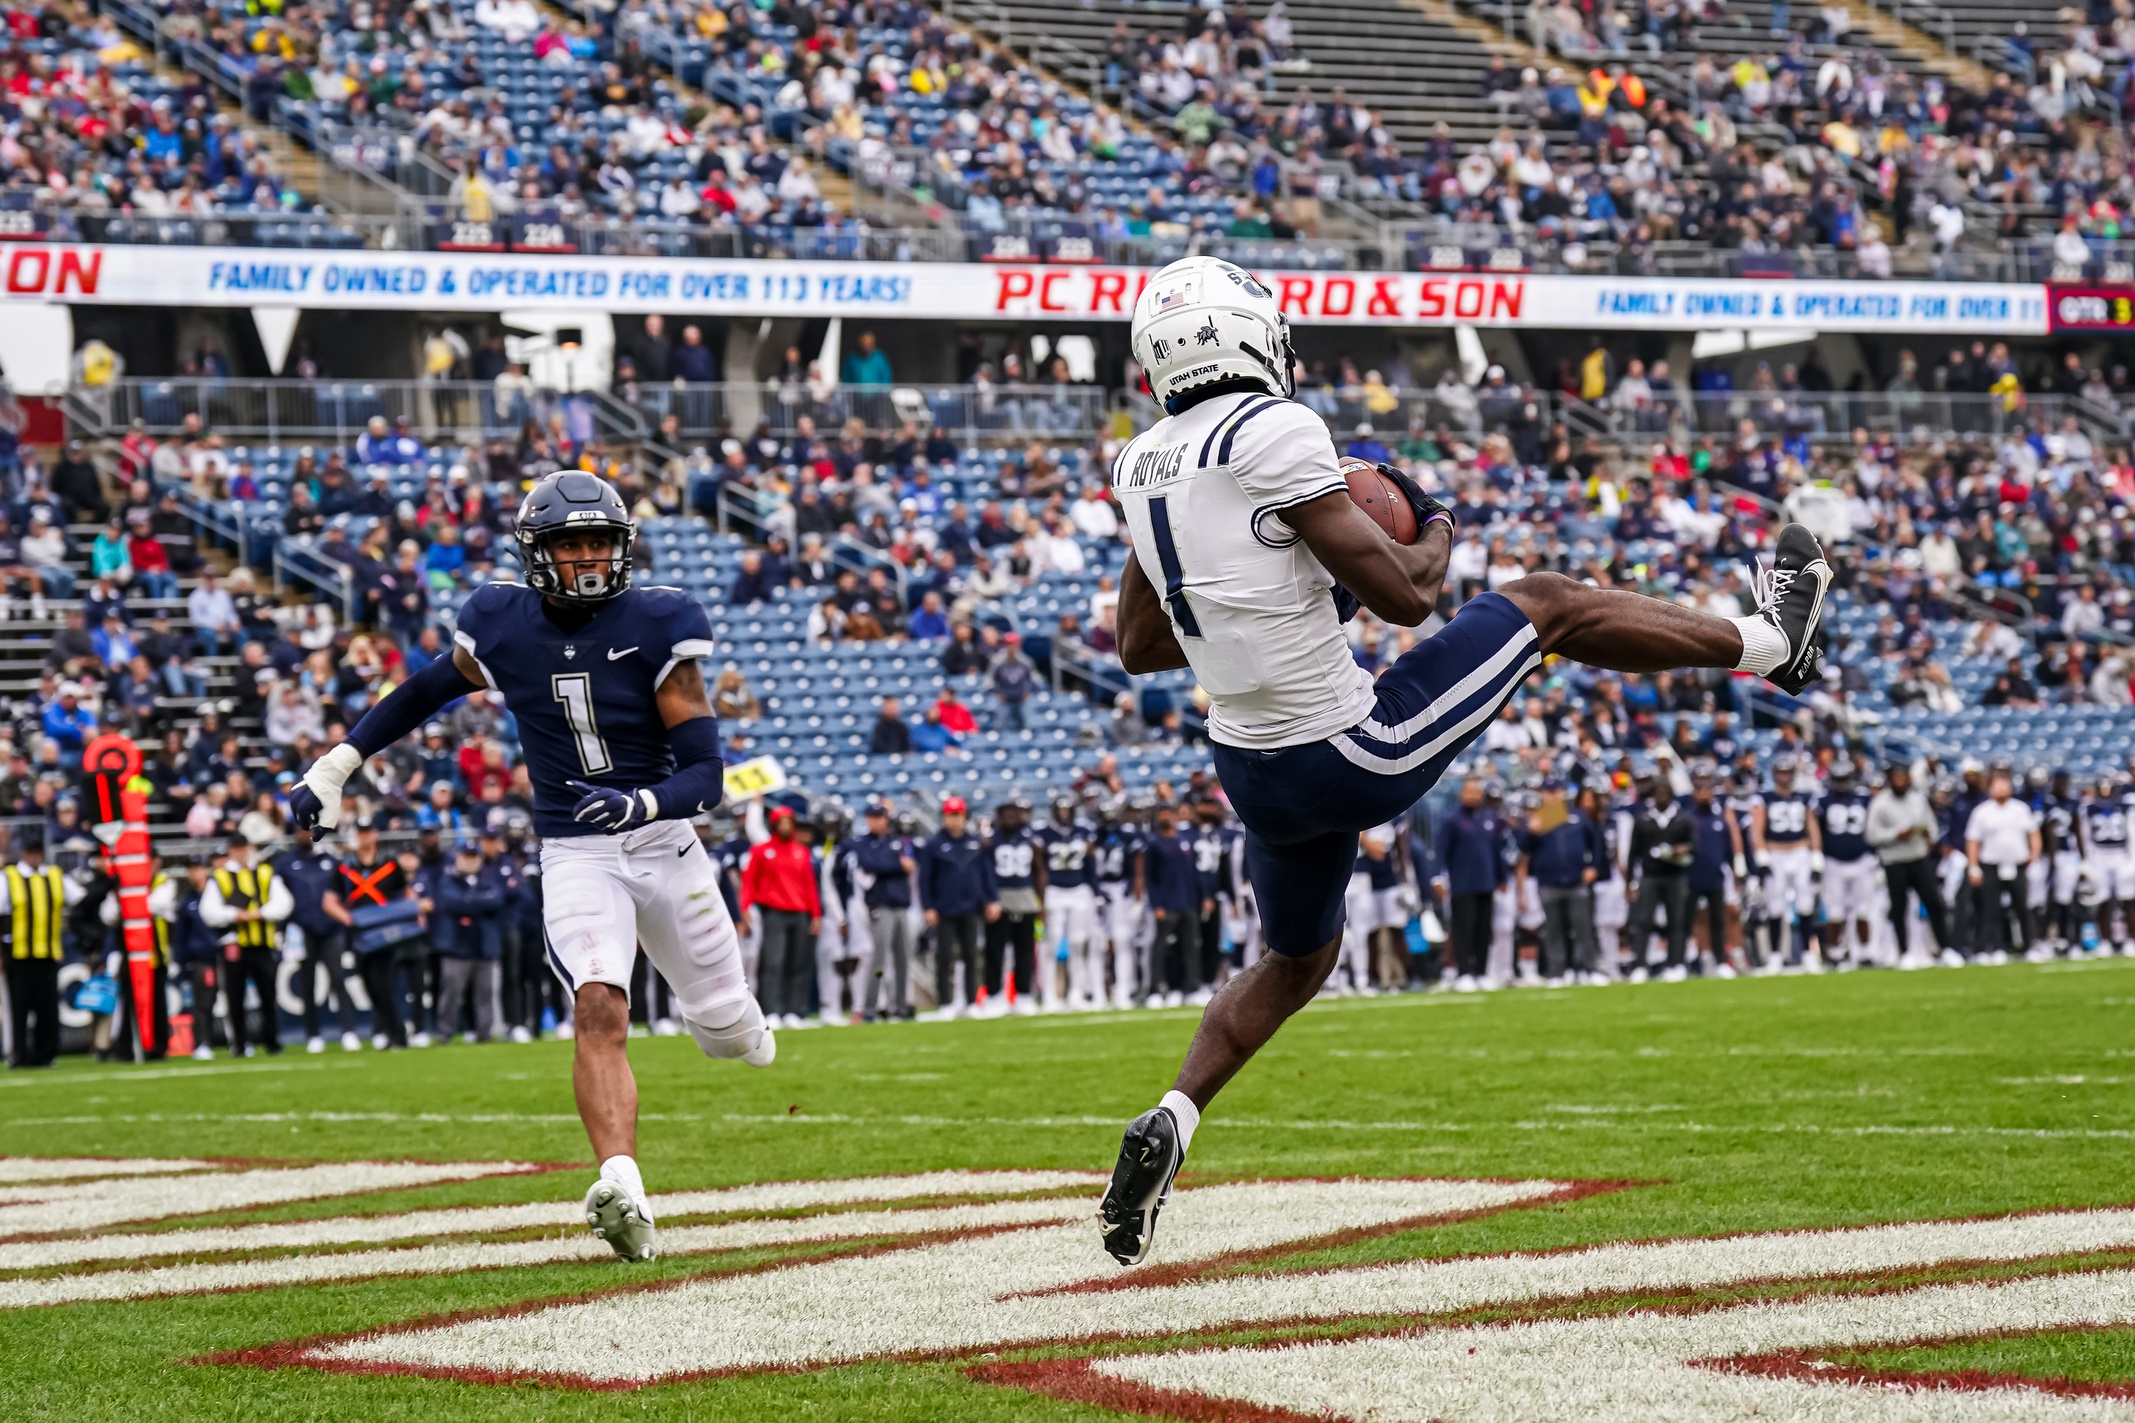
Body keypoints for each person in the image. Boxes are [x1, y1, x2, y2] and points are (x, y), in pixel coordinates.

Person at [1096, 256, 1834, 1266]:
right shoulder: (1274, 429)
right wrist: (1431, 512)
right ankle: (1770, 642)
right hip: (1349, 751)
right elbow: (1410, 594)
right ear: (1250, 336)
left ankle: (1171, 1116)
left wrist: (1278, 578)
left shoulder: (1141, 463)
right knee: (1543, 602)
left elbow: (1138, 645)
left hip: (1250, 770)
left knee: (1295, 957)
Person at [290, 471, 769, 1265]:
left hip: (664, 842)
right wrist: (339, 763)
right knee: (598, 1005)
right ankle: (622, 1184)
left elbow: (705, 776)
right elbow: (427, 688)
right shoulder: (501, 622)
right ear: (536, 552)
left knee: (724, 1031)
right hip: (576, 851)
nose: (584, 556)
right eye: (568, 542)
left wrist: (640, 804)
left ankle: (738, 1021)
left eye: (596, 541)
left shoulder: (661, 621)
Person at [199, 832, 293, 1057]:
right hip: (234, 945)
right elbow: (209, 911)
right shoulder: (220, 876)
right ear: (230, 849)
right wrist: (235, 915)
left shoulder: (265, 872)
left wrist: (261, 913)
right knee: (234, 996)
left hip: (262, 943)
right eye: (236, 848)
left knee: (268, 994)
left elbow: (285, 903)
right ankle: (239, 1044)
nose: (241, 852)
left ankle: (272, 1041)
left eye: (244, 847)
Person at [276, 823, 363, 1052]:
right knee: (307, 984)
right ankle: (313, 1034)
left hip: (331, 929)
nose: (306, 834)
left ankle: (348, 1031)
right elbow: (280, 899)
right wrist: (282, 930)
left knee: (338, 979)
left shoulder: (331, 862)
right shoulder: (285, 864)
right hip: (302, 931)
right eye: (301, 830)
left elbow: (344, 894)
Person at [739, 804, 821, 1030]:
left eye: (789, 822)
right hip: (773, 913)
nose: (786, 826)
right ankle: (772, 1010)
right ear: (774, 825)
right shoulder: (761, 850)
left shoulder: (801, 851)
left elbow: (810, 885)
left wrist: (816, 914)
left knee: (799, 964)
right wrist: (744, 908)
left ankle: (796, 1011)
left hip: (800, 913)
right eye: (781, 822)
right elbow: (749, 881)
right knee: (773, 963)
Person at [1516, 781, 1603, 986]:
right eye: (1549, 792)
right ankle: (1557, 972)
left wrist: (1593, 866)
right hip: (1548, 881)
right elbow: (1523, 848)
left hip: (1575, 880)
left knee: (1583, 928)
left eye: (1556, 791)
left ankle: (1588, 969)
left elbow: (1596, 842)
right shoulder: (1538, 818)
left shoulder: (1577, 816)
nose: (1553, 796)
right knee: (1553, 929)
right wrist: (1531, 832)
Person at [1, 831, 74, 1067]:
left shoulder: (54, 876)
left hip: (48, 954)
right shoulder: (8, 877)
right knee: (18, 1009)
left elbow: (82, 899)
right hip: (18, 955)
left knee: (47, 1009)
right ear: (23, 853)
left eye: (37, 851)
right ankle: (18, 1055)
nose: (34, 856)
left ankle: (46, 1054)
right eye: (30, 851)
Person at [918, 795, 995, 1017]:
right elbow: (926, 879)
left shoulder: (975, 843)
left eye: (958, 815)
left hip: (971, 906)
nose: (954, 820)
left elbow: (985, 873)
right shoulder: (934, 845)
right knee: (944, 957)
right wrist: (928, 906)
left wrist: (991, 898)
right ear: (943, 817)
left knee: (971, 955)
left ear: (964, 816)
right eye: (950, 815)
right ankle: (945, 1003)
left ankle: (972, 1002)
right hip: (944, 909)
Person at [1868, 761, 1951, 964]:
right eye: (1896, 778)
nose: (1900, 781)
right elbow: (1871, 835)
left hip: (1918, 858)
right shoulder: (1880, 804)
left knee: (1934, 903)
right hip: (1894, 861)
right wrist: (1896, 834)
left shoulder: (1918, 800)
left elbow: (1933, 828)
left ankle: (1946, 948)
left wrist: (1926, 833)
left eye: (1903, 777)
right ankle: (1904, 952)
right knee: (1899, 908)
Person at [1749, 756, 1823, 969]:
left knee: (1805, 905)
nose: (1784, 777)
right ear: (1774, 775)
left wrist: (1816, 856)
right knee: (1775, 907)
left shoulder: (1804, 797)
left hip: (1800, 851)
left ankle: (1809, 954)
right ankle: (1775, 955)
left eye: (1788, 772)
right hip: (1775, 853)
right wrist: (1761, 857)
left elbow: (1812, 826)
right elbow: (1757, 828)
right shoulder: (1764, 798)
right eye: (1781, 773)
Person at [1623, 776, 1696, 981]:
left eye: (1666, 792)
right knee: (1643, 921)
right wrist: (1629, 881)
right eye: (1659, 792)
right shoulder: (1643, 819)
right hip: (1650, 876)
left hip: (1675, 876)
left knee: (1677, 922)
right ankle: (1640, 965)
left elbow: (1694, 847)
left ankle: (1676, 963)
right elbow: (1633, 853)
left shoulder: (1683, 818)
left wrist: (1681, 850)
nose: (1662, 796)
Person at [849, 801, 916, 1020]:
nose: (877, 821)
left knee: (903, 959)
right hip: (881, 906)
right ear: (868, 819)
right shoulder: (862, 843)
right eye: (873, 817)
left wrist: (894, 864)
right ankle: (871, 1006)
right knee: (879, 961)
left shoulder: (896, 841)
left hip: (901, 906)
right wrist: (897, 865)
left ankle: (902, 1005)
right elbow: (870, 864)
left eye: (881, 817)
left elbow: (910, 862)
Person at [1966, 769, 2040, 963]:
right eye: (1996, 785)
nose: (2000, 789)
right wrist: (1973, 866)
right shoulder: (1982, 811)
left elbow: (2033, 832)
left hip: (2017, 864)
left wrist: (2034, 852)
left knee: (2022, 907)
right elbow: (1973, 840)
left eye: (2004, 785)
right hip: (1991, 865)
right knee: (1991, 909)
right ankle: (1995, 947)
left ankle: (2028, 946)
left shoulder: (2020, 809)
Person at [1039, 795, 1103, 1009]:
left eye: (1068, 810)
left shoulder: (1084, 832)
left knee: (1078, 942)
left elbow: (1090, 865)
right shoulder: (1044, 834)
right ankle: (1050, 995)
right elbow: (1040, 868)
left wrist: (1095, 892)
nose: (1064, 814)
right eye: (1061, 810)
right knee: (1052, 944)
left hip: (1078, 890)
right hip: (1054, 891)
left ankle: (1077, 992)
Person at [984, 797, 1045, 1011]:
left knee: (1025, 950)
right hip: (1000, 896)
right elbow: (986, 873)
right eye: (1006, 814)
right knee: (995, 949)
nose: (1010, 818)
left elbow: (1039, 872)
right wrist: (989, 898)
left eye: (1013, 813)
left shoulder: (1031, 839)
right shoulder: (991, 841)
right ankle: (994, 994)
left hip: (1025, 896)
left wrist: (1041, 902)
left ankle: (1024, 994)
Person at [1817, 764, 1880, 967]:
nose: (1842, 784)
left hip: (1862, 861)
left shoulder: (1865, 800)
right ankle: (1835, 953)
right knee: (1835, 911)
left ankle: (1865, 952)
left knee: (1863, 910)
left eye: (1845, 779)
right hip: (1834, 862)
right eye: (1839, 779)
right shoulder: (1824, 801)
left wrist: (1874, 856)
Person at [2078, 776, 2135, 956]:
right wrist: (2086, 861)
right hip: (2099, 855)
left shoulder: (2126, 808)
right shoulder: (2088, 809)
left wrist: (2133, 859)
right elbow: (2085, 836)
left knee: (2128, 900)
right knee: (2102, 900)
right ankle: (2104, 941)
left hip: (2120, 854)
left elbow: (2132, 834)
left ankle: (2130, 940)